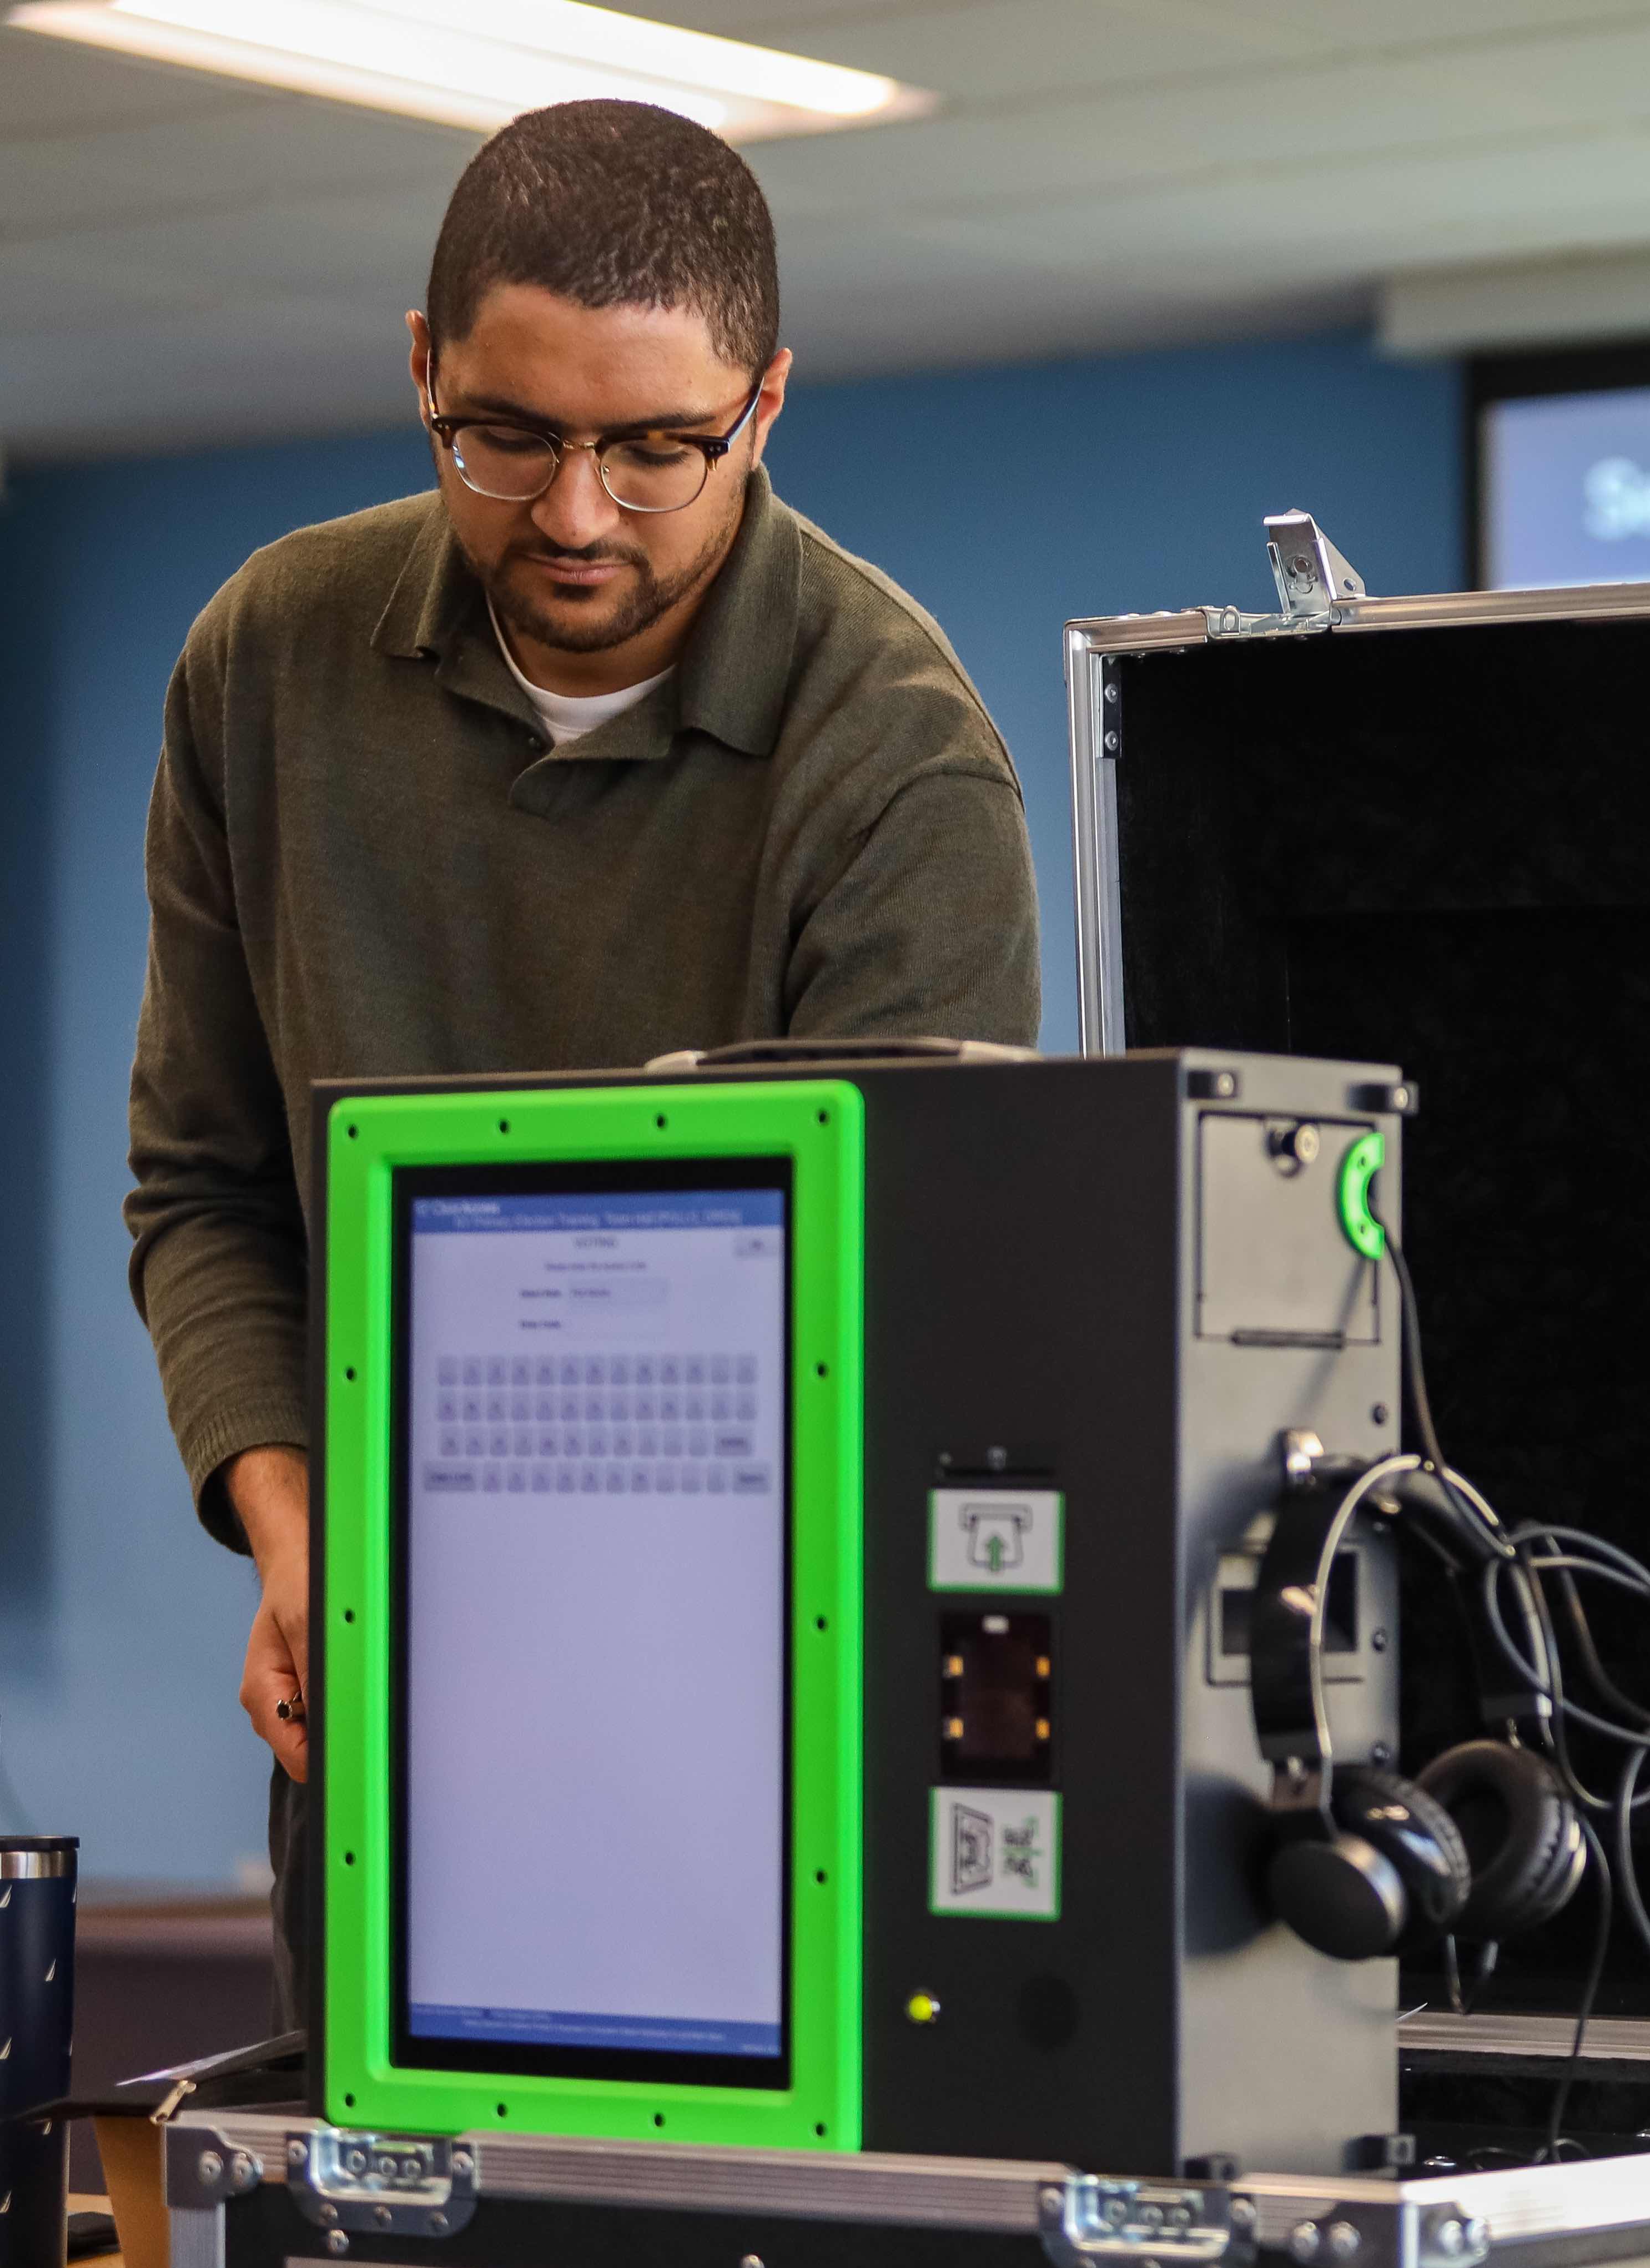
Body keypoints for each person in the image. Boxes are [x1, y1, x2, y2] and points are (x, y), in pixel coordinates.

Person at [123, 100, 1039, 2008]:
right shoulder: (268, 660)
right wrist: (302, 1531)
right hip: (385, 1724)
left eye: (653, 449)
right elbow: (207, 1188)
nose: (572, 514)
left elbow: (912, 1325)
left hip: (766, 1759)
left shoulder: (896, 757)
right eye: (509, 435)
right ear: (422, 366)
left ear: (764, 406)